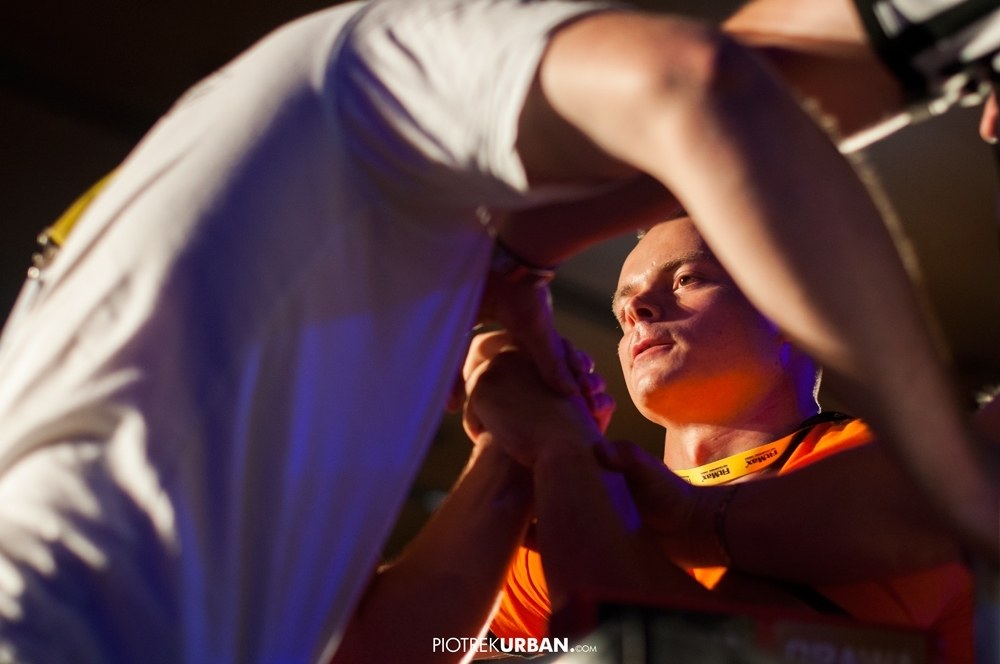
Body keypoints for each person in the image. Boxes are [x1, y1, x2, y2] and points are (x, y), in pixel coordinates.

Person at [0, 0, 994, 661]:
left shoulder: (318, 208)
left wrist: (526, 445)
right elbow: (721, 84)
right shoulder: (354, 97)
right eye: (618, 297)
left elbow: (392, 648)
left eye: (688, 277)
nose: (634, 306)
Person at [474, 217, 979, 663]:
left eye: (687, 279)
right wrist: (500, 452)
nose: (638, 312)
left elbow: (721, 652)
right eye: (624, 309)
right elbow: (427, 642)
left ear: (793, 313)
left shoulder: (889, 465)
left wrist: (561, 448)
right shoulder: (598, 509)